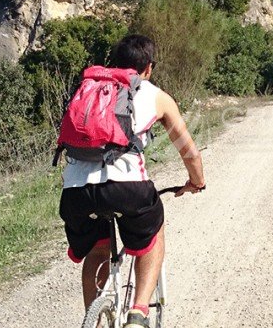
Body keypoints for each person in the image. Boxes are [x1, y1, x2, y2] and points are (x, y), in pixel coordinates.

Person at [59, 34, 206, 328]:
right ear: (148, 68)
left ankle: (95, 321)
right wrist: (196, 181)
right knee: (153, 234)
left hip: (75, 192)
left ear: (115, 63)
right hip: (126, 188)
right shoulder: (156, 95)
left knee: (97, 249)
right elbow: (188, 151)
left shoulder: (88, 88)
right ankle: (138, 315)